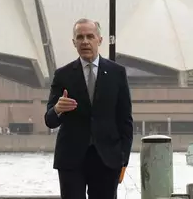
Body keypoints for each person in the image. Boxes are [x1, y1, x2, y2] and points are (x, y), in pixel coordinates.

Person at [45, 18, 133, 199]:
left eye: (90, 36)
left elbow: (125, 120)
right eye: (80, 37)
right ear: (74, 42)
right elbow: (50, 120)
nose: (85, 41)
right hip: (71, 159)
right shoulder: (63, 75)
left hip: (107, 159)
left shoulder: (117, 73)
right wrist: (58, 109)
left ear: (99, 40)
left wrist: (123, 159)